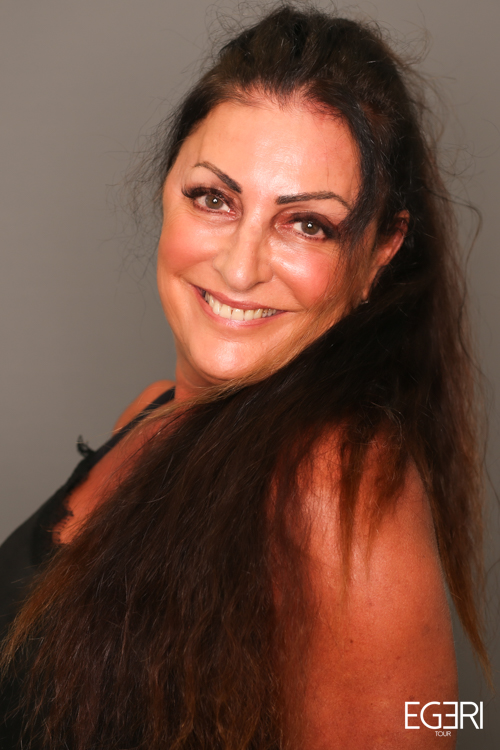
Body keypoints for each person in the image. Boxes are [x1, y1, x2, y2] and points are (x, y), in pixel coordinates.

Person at [0, 4, 490, 748]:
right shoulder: (151, 414)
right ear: (167, 189)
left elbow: (426, 723)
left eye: (307, 224)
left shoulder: (341, 489)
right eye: (214, 199)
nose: (239, 267)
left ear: (379, 253)